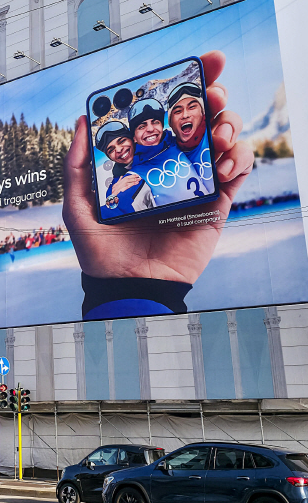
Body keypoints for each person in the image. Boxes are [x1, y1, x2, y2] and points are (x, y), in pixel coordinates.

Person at [64, 50, 253, 320]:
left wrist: (205, 127)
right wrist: (114, 198)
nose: (151, 129)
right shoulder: (129, 176)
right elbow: (117, 206)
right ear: (133, 134)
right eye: (142, 126)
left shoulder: (177, 142)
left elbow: (197, 139)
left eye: (155, 121)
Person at [94, 119, 155, 219]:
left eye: (122, 141)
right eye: (111, 150)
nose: (118, 150)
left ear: (133, 139)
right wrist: (114, 196)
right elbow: (111, 212)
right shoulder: (114, 186)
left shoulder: (156, 153)